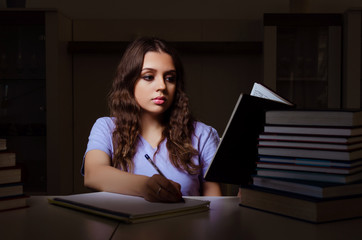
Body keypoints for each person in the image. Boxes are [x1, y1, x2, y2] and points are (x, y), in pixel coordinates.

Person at [83, 37, 222, 203]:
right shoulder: (106, 128)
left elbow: (215, 204)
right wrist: (146, 186)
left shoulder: (202, 135)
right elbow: (93, 174)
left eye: (170, 78)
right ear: (130, 81)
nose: (162, 86)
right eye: (149, 77)